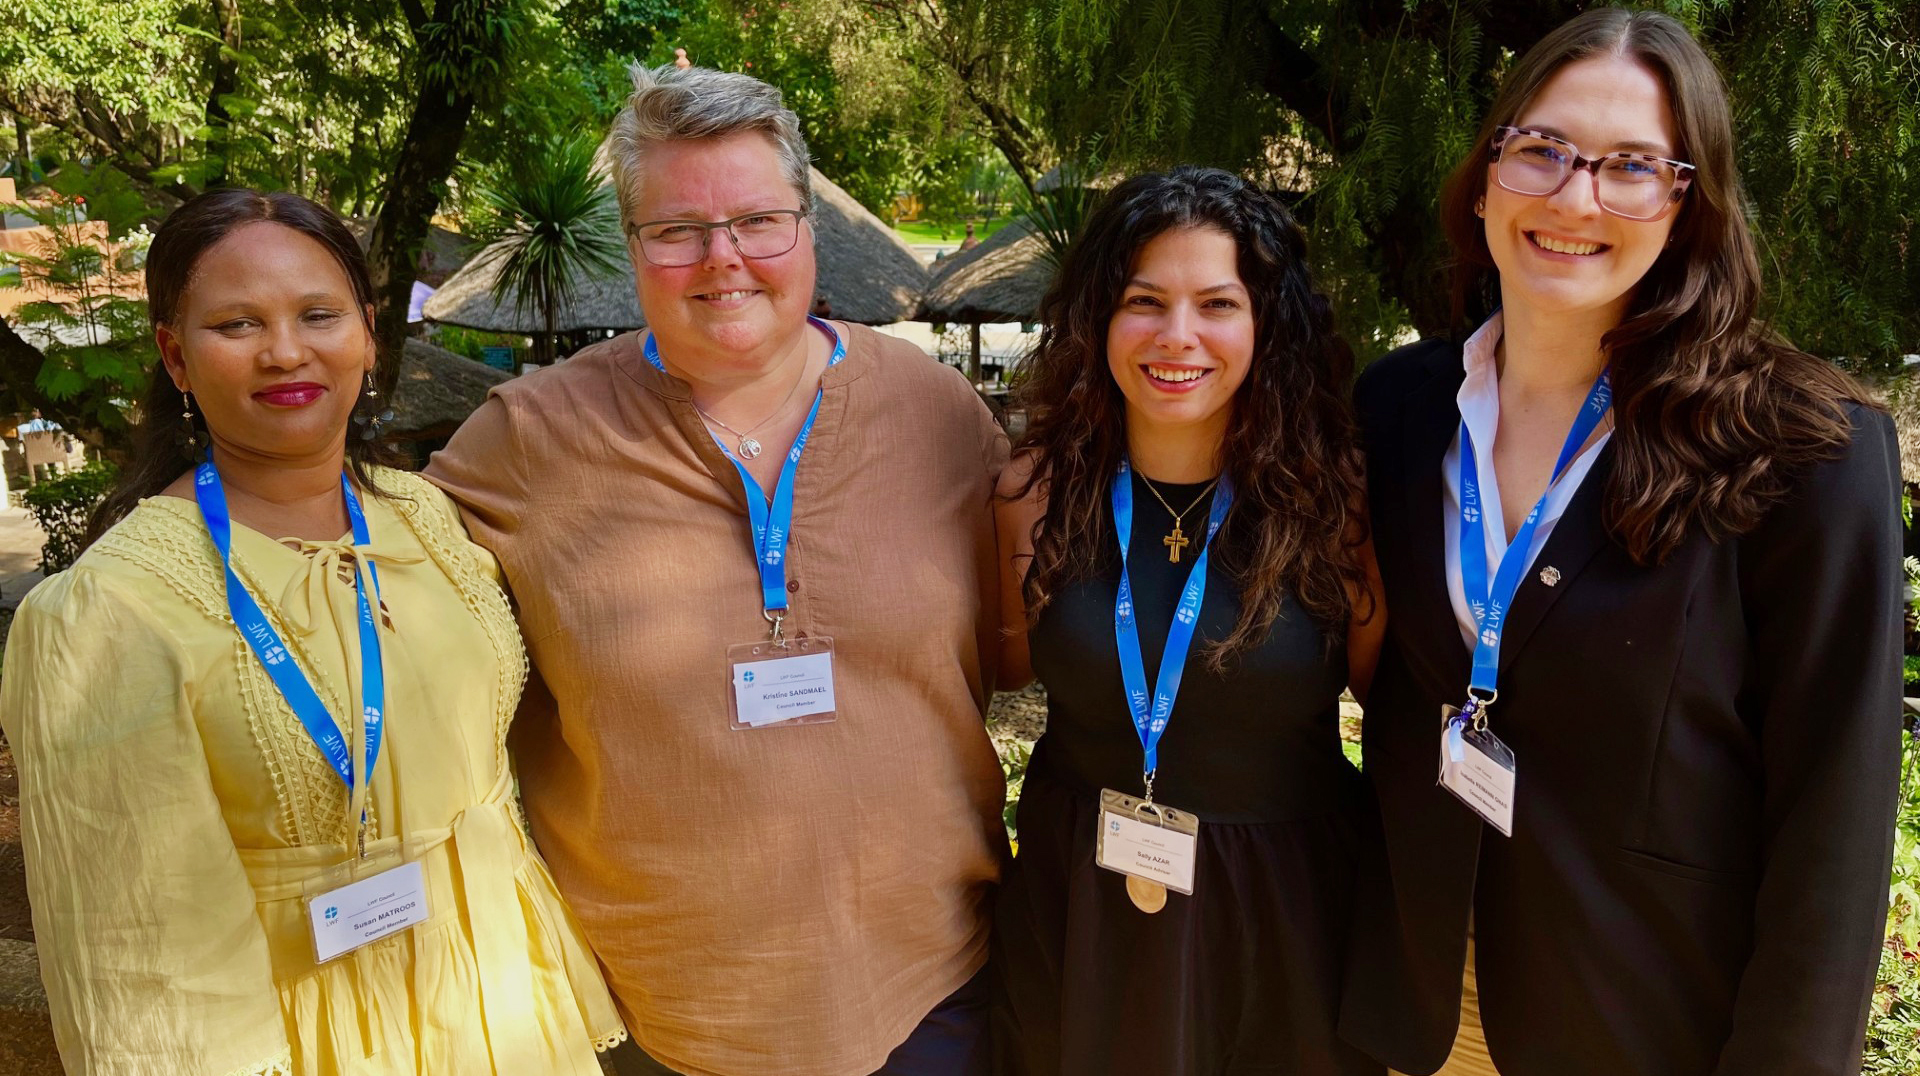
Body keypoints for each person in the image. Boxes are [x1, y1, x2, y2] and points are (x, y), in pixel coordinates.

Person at [1339, 9, 1902, 1076]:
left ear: (1690, 201)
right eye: (1541, 149)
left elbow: (1834, 831)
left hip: (1645, 1024)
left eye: (1632, 166)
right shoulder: (1400, 410)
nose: (1573, 196)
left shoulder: (1805, 451)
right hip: (1408, 1020)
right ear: (1489, 169)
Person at [425, 62, 1009, 1076]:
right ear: (634, 247)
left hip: (932, 993)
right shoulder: (528, 437)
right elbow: (366, 588)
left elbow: (1025, 632)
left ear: (807, 229)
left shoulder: (935, 411)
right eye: (678, 230)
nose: (722, 258)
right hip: (654, 1014)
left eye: (757, 221)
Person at [0, 188, 625, 1075]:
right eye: (237, 325)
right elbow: (140, 955)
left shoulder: (424, 519)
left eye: (319, 314)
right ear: (176, 358)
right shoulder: (109, 611)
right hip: (316, 1036)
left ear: (367, 335)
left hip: (505, 1007)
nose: (286, 351)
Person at [991, 166, 1386, 1076]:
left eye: (1217, 303)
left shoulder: (1340, 506)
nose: (1178, 337)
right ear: (1099, 318)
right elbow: (1001, 667)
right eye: (1143, 301)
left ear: (1266, 324)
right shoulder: (1030, 493)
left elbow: (1390, 697)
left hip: (1287, 910)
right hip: (1080, 899)